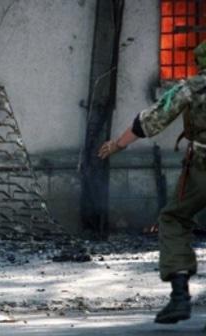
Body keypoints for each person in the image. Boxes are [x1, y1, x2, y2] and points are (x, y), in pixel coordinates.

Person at [98, 41, 206, 325]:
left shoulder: (191, 88)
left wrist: (117, 145)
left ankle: (180, 297)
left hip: (201, 167)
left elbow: (150, 120)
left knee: (173, 219)